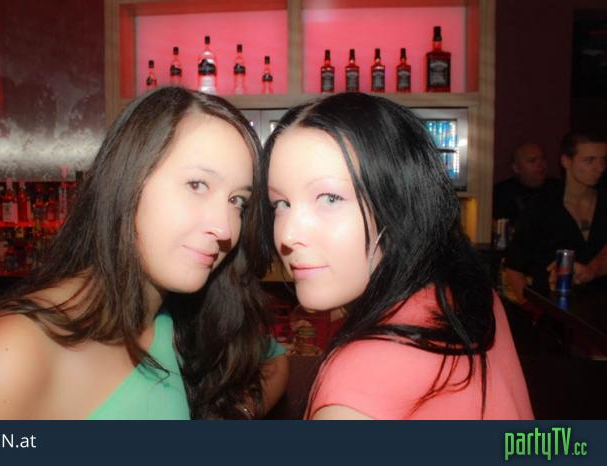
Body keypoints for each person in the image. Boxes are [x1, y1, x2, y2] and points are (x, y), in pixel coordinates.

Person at [0, 87, 288, 420]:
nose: (225, 229)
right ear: (127, 181)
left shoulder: (181, 315)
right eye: (197, 185)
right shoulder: (14, 350)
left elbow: (275, 360)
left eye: (237, 201)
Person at [260, 93, 532, 419]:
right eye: (281, 204)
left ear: (400, 203)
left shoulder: (359, 381)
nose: (287, 235)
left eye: (330, 198)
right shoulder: (467, 295)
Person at [505, 132, 607, 303]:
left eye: (603, 160)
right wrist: (531, 310)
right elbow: (514, 267)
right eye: (590, 160)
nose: (600, 167)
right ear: (566, 161)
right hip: (552, 310)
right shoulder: (542, 205)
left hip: (600, 309)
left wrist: (592, 270)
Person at [493, 143, 561, 225]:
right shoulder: (502, 193)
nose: (540, 164)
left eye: (542, 159)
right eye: (532, 161)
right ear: (516, 168)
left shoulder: (558, 188)